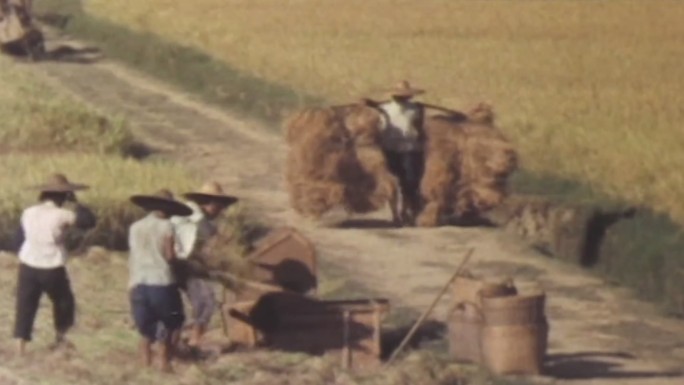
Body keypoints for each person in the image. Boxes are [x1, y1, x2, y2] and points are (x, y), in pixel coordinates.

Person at [13, 173, 96, 355]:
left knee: (25, 304)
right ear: (64, 196)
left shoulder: (29, 212)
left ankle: (20, 346)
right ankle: (60, 338)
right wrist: (77, 202)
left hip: (27, 264)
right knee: (64, 301)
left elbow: (19, 238)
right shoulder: (63, 214)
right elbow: (88, 222)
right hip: (51, 265)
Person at [128, 189, 192, 372]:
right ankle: (165, 364)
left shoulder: (135, 226)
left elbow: (133, 255)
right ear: (167, 208)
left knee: (145, 328)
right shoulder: (167, 226)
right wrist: (184, 264)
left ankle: (145, 366)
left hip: (138, 282)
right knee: (171, 323)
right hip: (162, 282)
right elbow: (170, 256)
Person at [171, 181, 239, 347]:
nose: (221, 210)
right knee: (205, 300)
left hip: (182, 263)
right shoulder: (193, 214)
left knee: (200, 302)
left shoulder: (201, 218)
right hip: (176, 263)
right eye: (219, 205)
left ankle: (190, 341)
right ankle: (191, 341)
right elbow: (202, 235)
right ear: (209, 203)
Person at [361, 80, 428, 225]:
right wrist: (368, 104)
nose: (401, 97)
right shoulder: (383, 108)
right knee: (391, 182)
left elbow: (420, 127)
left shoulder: (416, 109)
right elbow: (369, 111)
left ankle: (405, 211)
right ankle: (395, 215)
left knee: (409, 183)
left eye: (404, 95)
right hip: (389, 148)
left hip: (411, 149)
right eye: (398, 94)